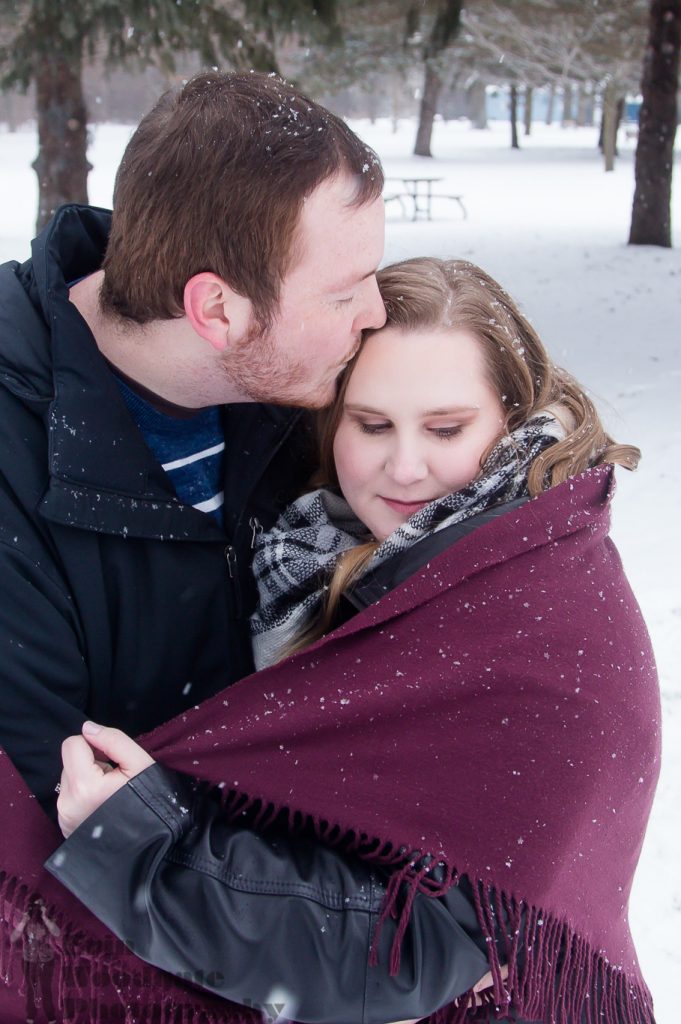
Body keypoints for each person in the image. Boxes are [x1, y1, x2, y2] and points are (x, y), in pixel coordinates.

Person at [48, 259, 660, 1024]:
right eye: (370, 425)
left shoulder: (532, 614)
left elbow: (413, 952)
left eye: (445, 428)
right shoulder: (318, 553)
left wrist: (151, 848)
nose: (404, 468)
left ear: (512, 417)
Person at [0, 69, 386, 818]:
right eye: (342, 294)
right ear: (216, 308)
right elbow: (51, 834)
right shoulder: (14, 478)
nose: (374, 313)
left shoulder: (294, 385)